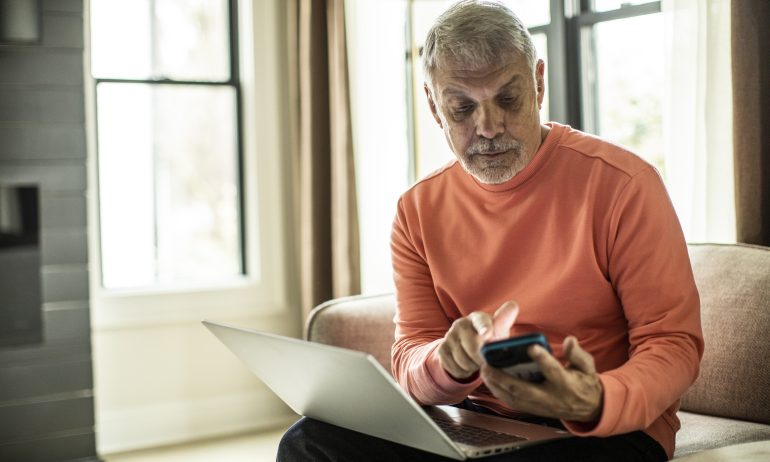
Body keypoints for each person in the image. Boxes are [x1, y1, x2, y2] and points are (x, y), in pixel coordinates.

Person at [277, 1, 703, 460]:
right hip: (481, 421)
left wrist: (592, 399)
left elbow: (674, 345)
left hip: (603, 429)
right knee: (308, 440)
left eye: (508, 99)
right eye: (461, 108)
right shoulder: (417, 209)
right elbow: (410, 355)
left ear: (539, 83)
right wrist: (445, 363)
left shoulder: (624, 184)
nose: (489, 128)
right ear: (434, 106)